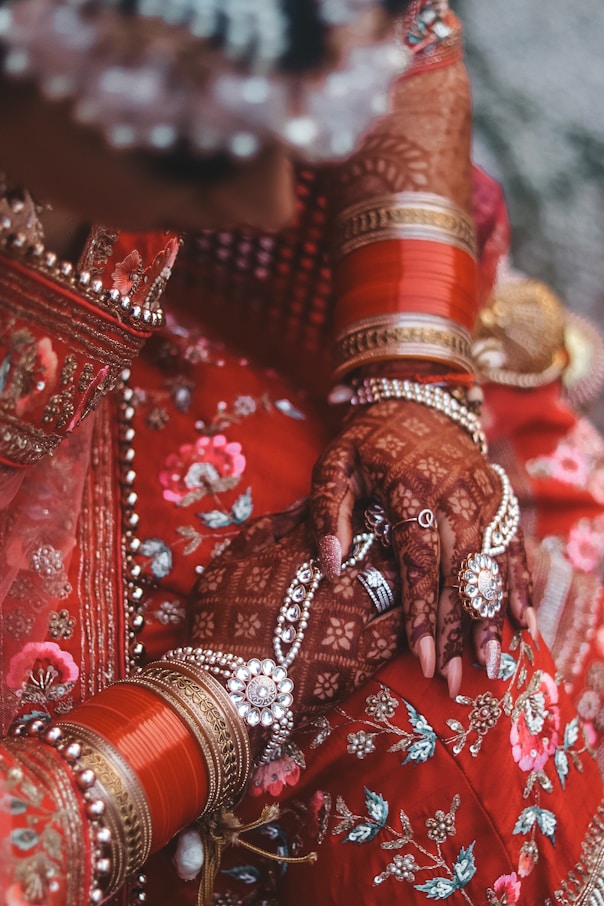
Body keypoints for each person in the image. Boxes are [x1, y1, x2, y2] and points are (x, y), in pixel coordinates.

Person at [0, 2, 601, 905]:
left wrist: (410, 378)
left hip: (129, 376)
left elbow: (402, 26)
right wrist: (208, 712)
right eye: (215, 150)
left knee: (451, 607)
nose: (280, 203)